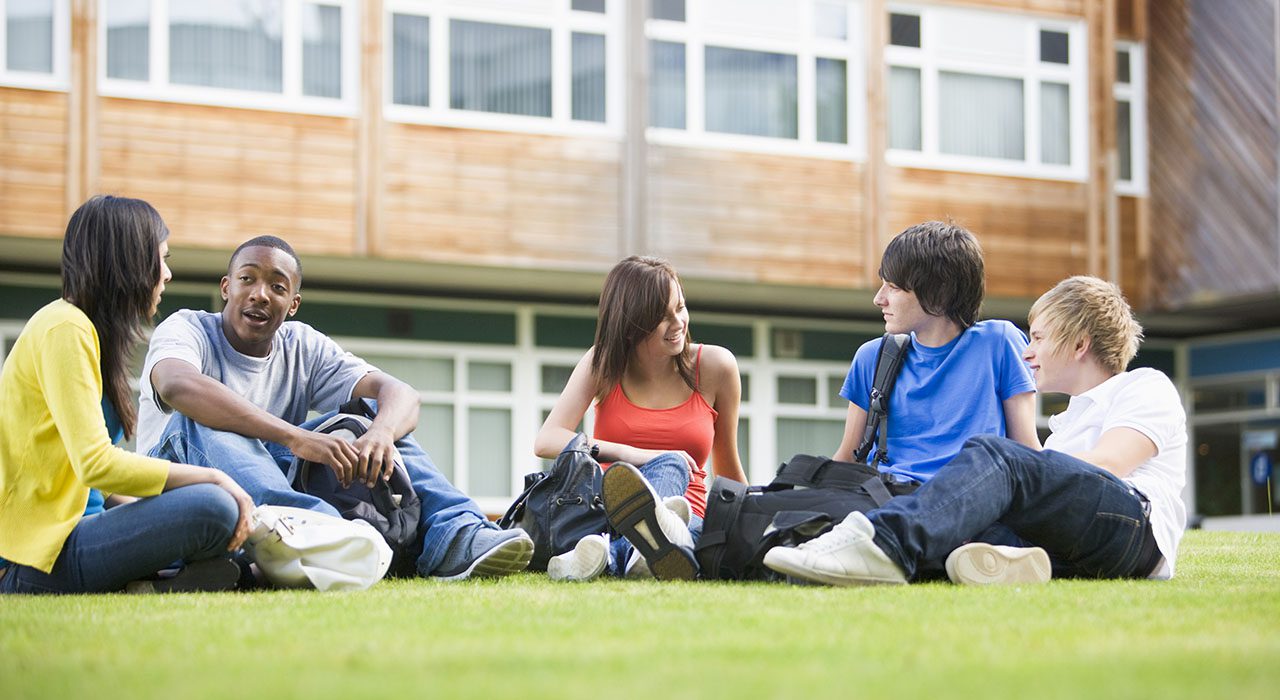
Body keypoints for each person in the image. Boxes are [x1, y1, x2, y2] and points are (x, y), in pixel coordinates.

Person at [137, 235, 532, 581]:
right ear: (226, 287)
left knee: (374, 421)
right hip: (177, 487)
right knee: (203, 421)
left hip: (265, 495)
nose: (260, 293)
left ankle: (457, 534)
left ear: (292, 304)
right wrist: (295, 437)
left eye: (277, 286)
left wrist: (380, 433)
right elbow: (176, 385)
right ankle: (324, 536)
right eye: (247, 279)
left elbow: (401, 394)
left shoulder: (301, 344)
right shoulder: (187, 327)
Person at [764, 276, 1186, 586]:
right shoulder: (1067, 424)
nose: (1027, 351)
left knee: (997, 455)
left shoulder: (1144, 385)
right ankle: (822, 564)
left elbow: (1110, 465)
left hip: (1135, 528)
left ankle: (879, 543)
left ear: (1079, 345)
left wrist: (1014, 473)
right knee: (969, 529)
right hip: (1085, 544)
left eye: (1038, 338)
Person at [0, 196, 254, 595]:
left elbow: (99, 491)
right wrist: (213, 477)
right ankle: (156, 578)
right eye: (162, 259)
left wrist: (163, 514)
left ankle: (155, 580)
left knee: (220, 524)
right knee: (213, 507)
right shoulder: (64, 327)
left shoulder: (93, 336)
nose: (167, 274)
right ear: (129, 260)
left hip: (79, 535)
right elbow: (97, 466)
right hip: (34, 558)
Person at [533, 256, 747, 582]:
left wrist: (754, 522)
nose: (678, 323)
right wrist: (636, 456)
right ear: (632, 322)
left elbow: (728, 468)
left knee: (695, 525)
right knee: (671, 463)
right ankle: (643, 549)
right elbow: (547, 440)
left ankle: (612, 555)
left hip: (688, 519)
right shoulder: (603, 363)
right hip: (609, 512)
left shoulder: (717, 367)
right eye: (662, 317)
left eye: (681, 307)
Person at [834, 221, 1040, 482]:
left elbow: (1026, 451)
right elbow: (848, 458)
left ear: (939, 292)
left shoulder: (999, 343)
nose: (879, 299)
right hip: (887, 502)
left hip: (972, 501)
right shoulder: (873, 357)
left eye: (894, 287)